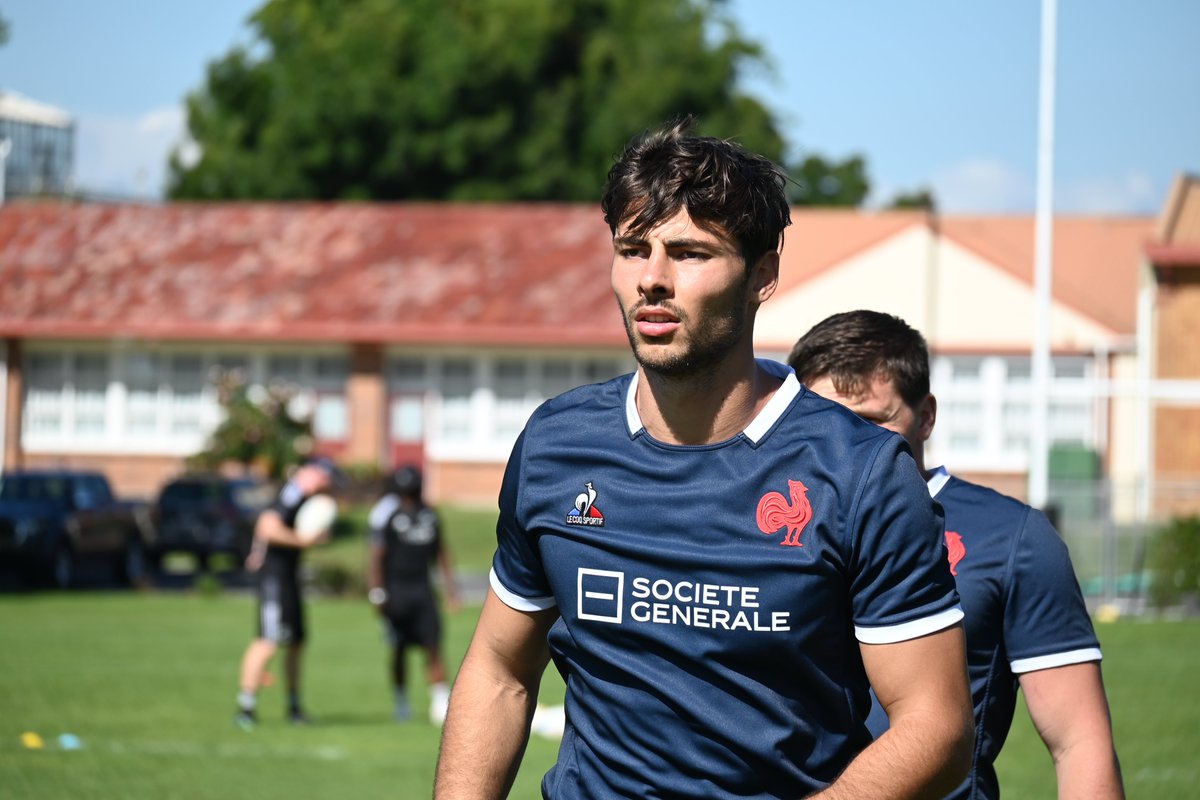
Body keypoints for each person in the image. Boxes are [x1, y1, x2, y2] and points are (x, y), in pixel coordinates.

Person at [434, 119, 974, 799]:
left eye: (689, 253)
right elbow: (501, 671)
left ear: (762, 275)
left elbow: (939, 726)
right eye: (632, 250)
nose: (652, 280)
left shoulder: (861, 473)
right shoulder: (554, 446)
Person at [788, 310, 1124, 799]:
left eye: (870, 423)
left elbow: (1078, 741)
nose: (845, 445)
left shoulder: (1012, 536)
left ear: (926, 417)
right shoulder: (764, 521)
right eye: (823, 422)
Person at [234, 456, 340, 730]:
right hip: (274, 577)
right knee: (267, 641)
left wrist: (315, 536)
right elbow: (267, 528)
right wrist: (303, 540)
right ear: (309, 472)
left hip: (289, 577)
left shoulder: (305, 498)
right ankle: (246, 707)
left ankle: (294, 707)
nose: (326, 483)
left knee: (296, 642)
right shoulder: (291, 493)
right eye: (323, 476)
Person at [366, 464, 461, 724]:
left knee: (433, 645)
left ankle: (440, 701)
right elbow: (377, 556)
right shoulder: (391, 517)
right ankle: (401, 701)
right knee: (399, 648)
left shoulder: (429, 515)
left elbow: (441, 553)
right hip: (396, 591)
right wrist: (377, 591)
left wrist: (451, 590)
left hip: (423, 590)